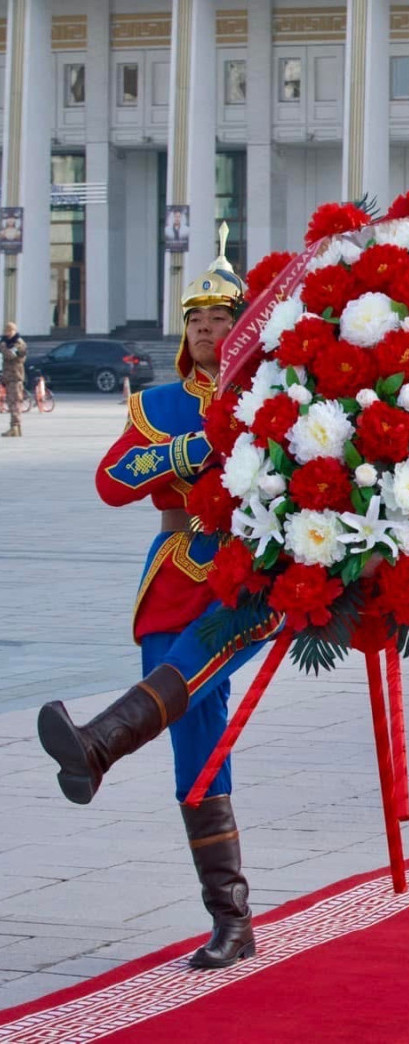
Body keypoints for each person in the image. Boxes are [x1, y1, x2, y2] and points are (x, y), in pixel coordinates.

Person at [36, 235, 283, 969]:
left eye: (221, 317)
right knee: (196, 753)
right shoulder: (160, 402)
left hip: (250, 571)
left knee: (187, 670)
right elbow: (112, 483)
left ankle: (99, 743)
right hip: (175, 567)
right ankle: (231, 919)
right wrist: (181, 454)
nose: (207, 330)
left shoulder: (277, 397)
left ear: (246, 328)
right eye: (197, 319)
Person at [1, 321, 25, 437]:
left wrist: (3, 348)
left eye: (10, 331)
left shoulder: (18, 343)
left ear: (14, 331)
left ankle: (15, 426)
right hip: (9, 377)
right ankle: (15, 427)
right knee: (11, 402)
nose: (7, 334)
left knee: (14, 402)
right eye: (6, 331)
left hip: (15, 377)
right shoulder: (8, 342)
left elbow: (10, 355)